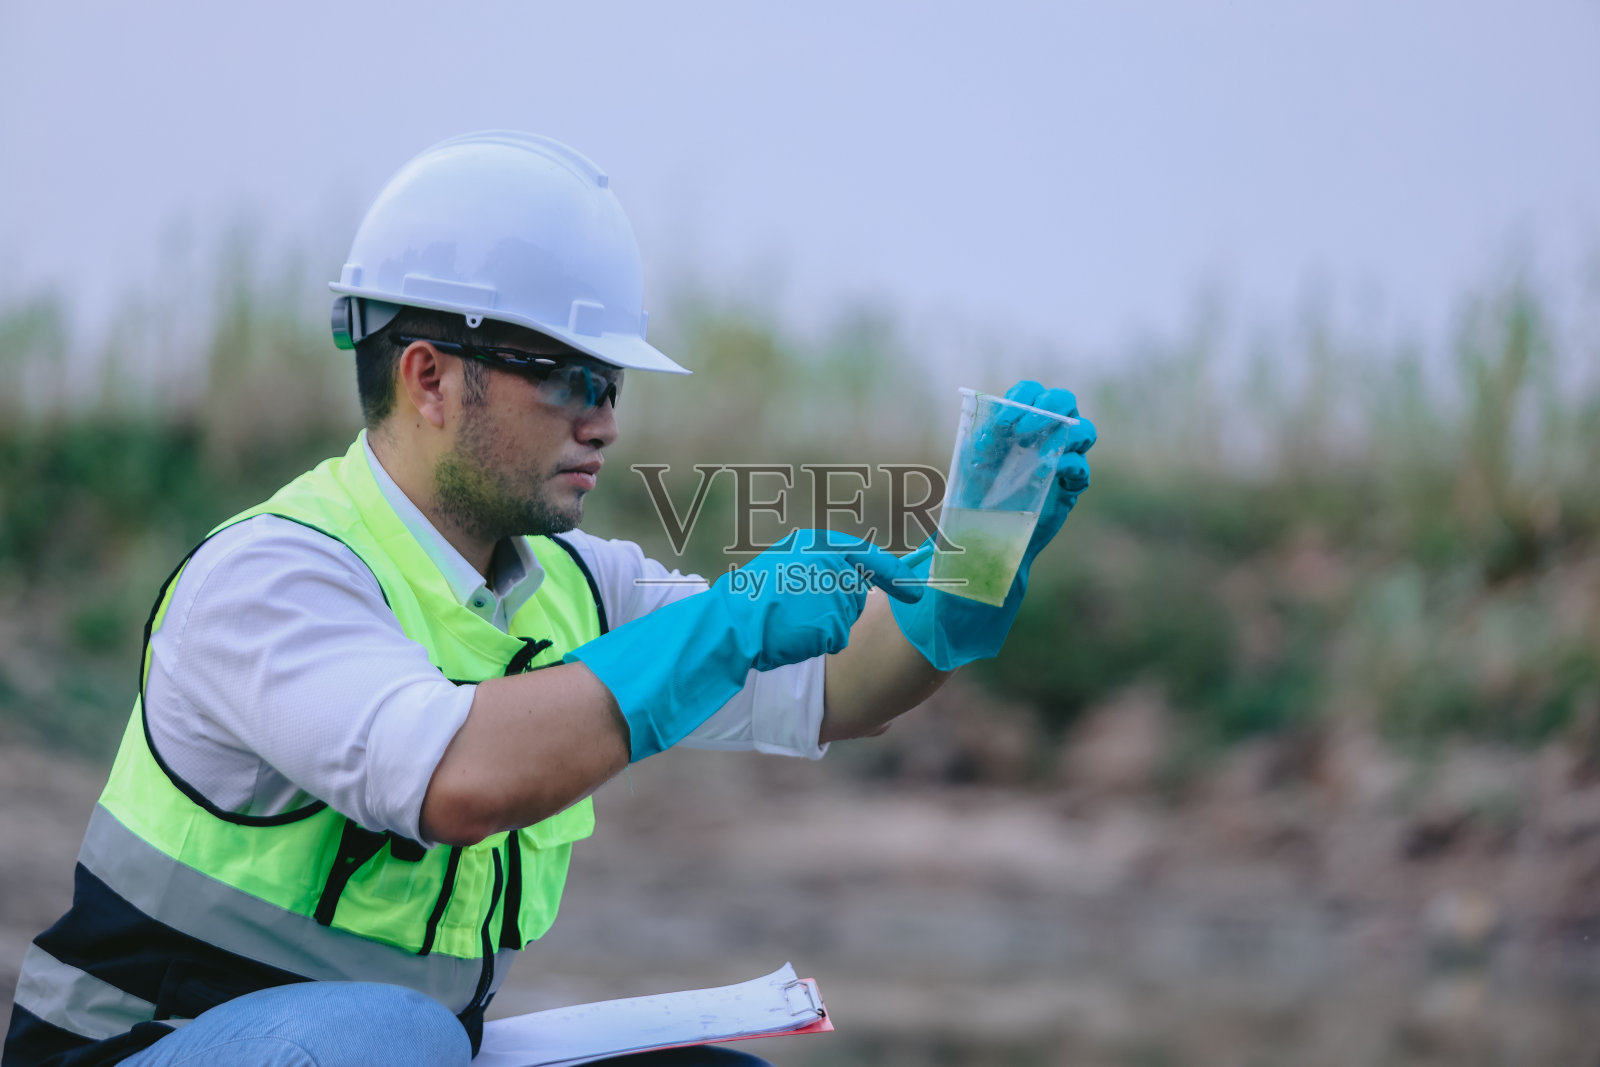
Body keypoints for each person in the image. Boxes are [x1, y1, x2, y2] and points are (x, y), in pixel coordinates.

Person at [4, 131, 1096, 1067]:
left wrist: (971, 567)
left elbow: (838, 687)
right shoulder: (270, 577)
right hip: (145, 1048)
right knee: (387, 1034)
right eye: (570, 377)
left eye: (610, 384)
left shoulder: (579, 584)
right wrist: (723, 623)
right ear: (429, 377)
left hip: (402, 1048)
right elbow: (455, 777)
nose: (605, 420)